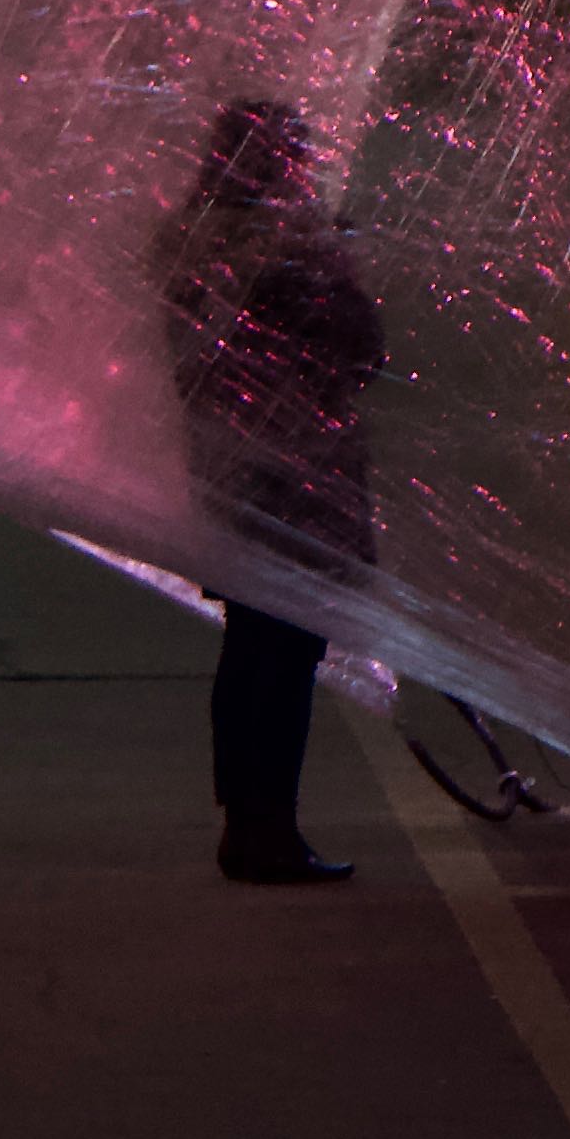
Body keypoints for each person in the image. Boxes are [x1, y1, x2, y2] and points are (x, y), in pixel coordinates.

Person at [153, 97, 391, 886]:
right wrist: (336, 257)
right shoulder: (293, 249)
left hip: (222, 467)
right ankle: (271, 831)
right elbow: (358, 350)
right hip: (297, 471)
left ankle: (243, 821)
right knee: (286, 653)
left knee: (248, 642)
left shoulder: (183, 240)